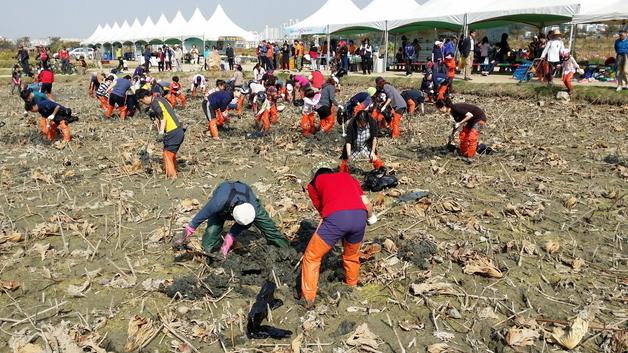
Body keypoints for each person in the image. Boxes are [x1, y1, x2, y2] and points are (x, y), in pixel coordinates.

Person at [298, 167, 376, 307]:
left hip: (337, 219)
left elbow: (322, 210)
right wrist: (370, 218)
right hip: (360, 216)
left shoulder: (313, 184)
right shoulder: (348, 177)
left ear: (316, 175)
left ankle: (308, 298)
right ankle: (351, 287)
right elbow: (367, 204)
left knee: (312, 256)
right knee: (351, 255)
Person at [180, 181, 289, 255]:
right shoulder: (218, 203)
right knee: (209, 238)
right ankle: (211, 255)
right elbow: (199, 218)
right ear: (232, 215)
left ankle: (286, 250)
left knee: (271, 230)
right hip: (225, 192)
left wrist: (230, 237)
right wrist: (187, 233)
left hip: (244, 195)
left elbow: (246, 222)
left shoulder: (253, 209)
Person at [136, 89, 185, 179]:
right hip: (178, 130)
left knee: (167, 154)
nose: (143, 103)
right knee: (170, 153)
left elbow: (163, 118)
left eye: (142, 101)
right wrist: (156, 121)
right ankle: (172, 170)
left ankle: (172, 176)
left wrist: (161, 133)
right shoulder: (160, 99)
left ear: (145, 97)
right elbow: (165, 113)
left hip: (173, 131)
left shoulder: (155, 103)